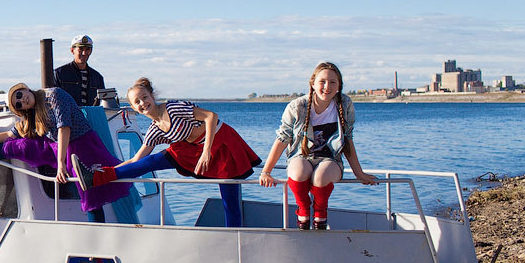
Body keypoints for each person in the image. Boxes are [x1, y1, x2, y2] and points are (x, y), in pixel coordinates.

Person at [70, 78, 261, 227]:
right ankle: (96, 178)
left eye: (145, 97)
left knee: (229, 196)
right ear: (133, 108)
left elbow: (211, 116)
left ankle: (234, 235)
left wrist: (206, 150)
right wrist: (107, 169)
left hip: (220, 141)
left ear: (152, 96)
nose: (143, 103)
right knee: (150, 162)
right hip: (191, 147)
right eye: (137, 102)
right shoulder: (155, 130)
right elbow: (136, 160)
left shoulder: (174, 108)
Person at [0, 83, 130, 221]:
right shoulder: (32, 115)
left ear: (24, 88)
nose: (22, 100)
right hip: (58, 147)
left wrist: (61, 165)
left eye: (19, 95)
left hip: (84, 146)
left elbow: (64, 127)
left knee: (91, 196)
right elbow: (8, 135)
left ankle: (98, 255)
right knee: (15, 145)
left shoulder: (53, 95)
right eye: (18, 104)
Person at [257, 62, 378, 230]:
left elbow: (348, 139)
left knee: (321, 176)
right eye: (322, 81)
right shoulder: (297, 106)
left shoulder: (344, 104)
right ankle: (303, 209)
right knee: (299, 170)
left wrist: (359, 173)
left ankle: (320, 213)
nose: (327, 87)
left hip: (331, 159)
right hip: (301, 156)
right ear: (313, 83)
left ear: (339, 85)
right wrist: (266, 171)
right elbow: (282, 139)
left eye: (332, 82)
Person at [53, 34, 105, 106]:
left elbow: (102, 102)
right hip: (67, 116)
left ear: (91, 51)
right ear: (72, 50)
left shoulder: (97, 77)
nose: (84, 53)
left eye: (87, 49)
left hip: (90, 116)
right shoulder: (59, 74)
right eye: (80, 49)